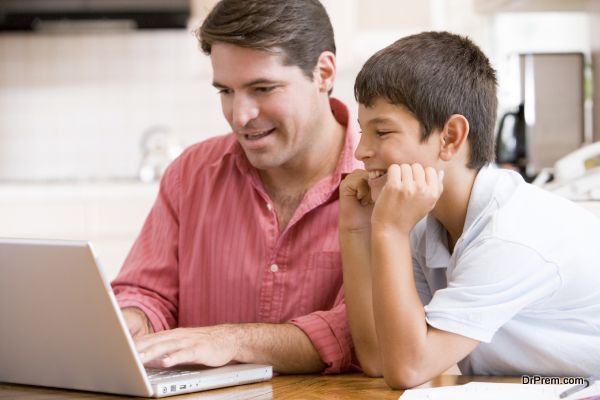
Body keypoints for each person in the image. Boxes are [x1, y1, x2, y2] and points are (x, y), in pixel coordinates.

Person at [340, 31, 600, 389]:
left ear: (450, 138)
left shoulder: (509, 234)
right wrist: (355, 230)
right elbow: (379, 360)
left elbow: (407, 370)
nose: (361, 151)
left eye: (382, 132)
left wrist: (389, 231)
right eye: (362, 132)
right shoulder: (427, 226)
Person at [112, 0, 360, 374]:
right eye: (225, 91)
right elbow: (147, 293)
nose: (240, 116)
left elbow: (358, 332)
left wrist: (228, 340)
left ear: (324, 73)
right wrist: (135, 320)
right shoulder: (191, 174)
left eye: (262, 88)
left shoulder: (382, 183)